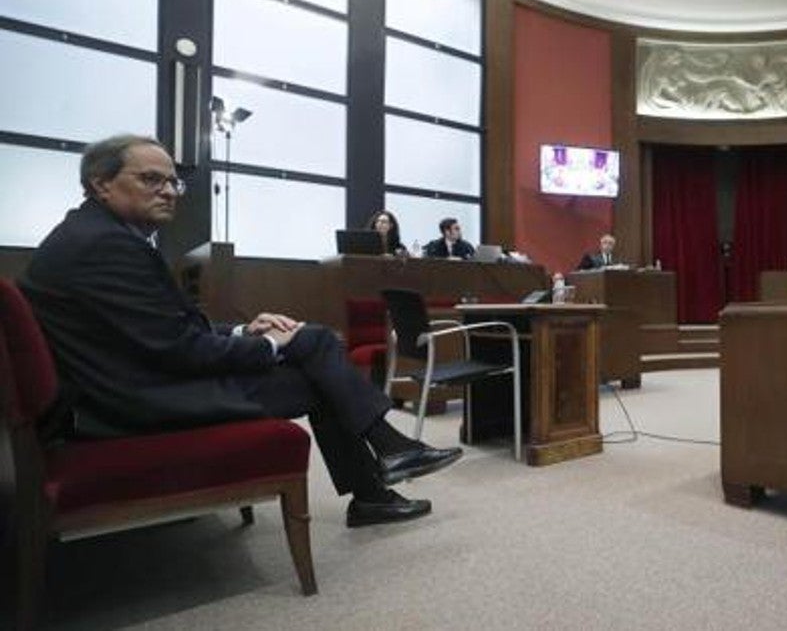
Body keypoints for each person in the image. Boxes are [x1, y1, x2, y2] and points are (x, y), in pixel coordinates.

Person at [19, 135, 464, 529]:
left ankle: (384, 469)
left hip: (130, 382)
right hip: (136, 402)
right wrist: (267, 345)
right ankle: (382, 469)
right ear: (101, 183)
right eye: (151, 179)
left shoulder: (93, 234)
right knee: (317, 354)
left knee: (314, 344)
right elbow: (176, 348)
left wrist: (240, 331)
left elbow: (158, 331)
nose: (169, 191)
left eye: (173, 182)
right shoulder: (106, 245)